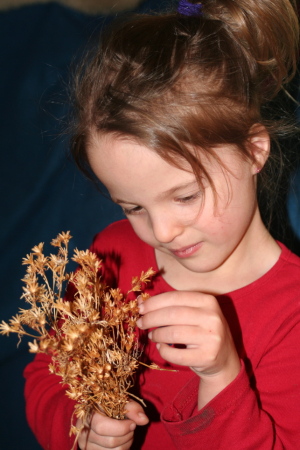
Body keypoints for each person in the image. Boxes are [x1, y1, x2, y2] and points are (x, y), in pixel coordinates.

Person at [24, 0, 300, 448]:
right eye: (132, 207)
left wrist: (222, 377)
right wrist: (82, 427)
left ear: (254, 151)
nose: (162, 231)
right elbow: (47, 373)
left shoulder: (292, 314)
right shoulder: (110, 259)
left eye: (186, 196)